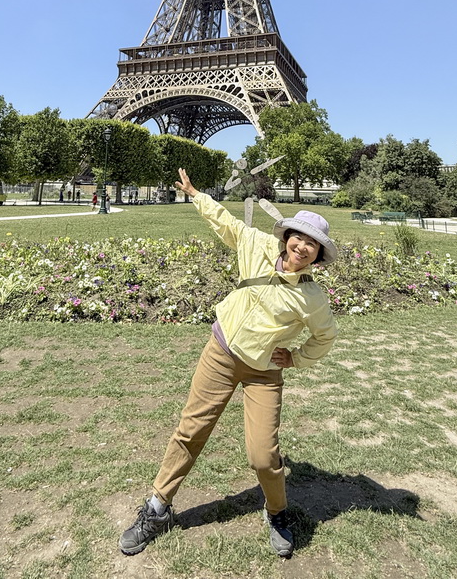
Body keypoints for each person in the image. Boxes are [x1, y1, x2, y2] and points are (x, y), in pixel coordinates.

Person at [119, 168, 338, 560]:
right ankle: (157, 508)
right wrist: (196, 194)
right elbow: (227, 223)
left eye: (312, 244)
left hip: (263, 373)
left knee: (263, 455)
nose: (303, 247)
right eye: (299, 237)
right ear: (287, 237)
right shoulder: (257, 246)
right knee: (191, 430)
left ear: (318, 255)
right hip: (220, 354)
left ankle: (277, 512)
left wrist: (297, 358)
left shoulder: (312, 298)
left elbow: (326, 336)